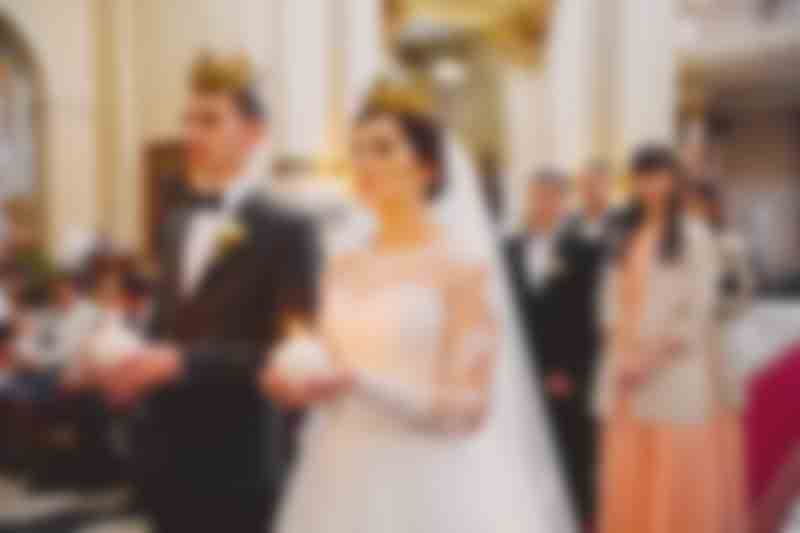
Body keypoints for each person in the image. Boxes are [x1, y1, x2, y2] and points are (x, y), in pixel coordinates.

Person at [266, 81, 575, 533]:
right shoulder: (342, 265)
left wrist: (361, 383)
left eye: (383, 148)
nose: (364, 163)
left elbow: (470, 407)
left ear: (427, 166)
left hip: (428, 477)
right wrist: (298, 381)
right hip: (337, 471)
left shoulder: (461, 270)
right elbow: (328, 365)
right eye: (357, 150)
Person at [97, 53, 320, 533]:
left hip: (239, 458)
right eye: (188, 120)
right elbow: (165, 327)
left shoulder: (290, 227)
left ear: (254, 132)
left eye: (210, 120)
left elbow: (293, 355)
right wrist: (128, 368)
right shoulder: (177, 222)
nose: (192, 133)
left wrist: (183, 362)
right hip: (165, 453)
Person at [594, 145, 738, 533]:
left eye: (658, 176)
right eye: (642, 177)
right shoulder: (627, 233)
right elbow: (611, 299)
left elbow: (698, 308)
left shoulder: (694, 234)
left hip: (672, 367)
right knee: (630, 470)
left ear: (674, 180)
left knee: (674, 473)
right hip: (624, 369)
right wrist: (621, 353)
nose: (650, 186)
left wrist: (649, 358)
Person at [549, 159, 615, 524]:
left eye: (598, 183)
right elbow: (557, 297)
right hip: (576, 345)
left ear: (609, 185)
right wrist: (557, 359)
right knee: (579, 428)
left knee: (615, 428)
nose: (592, 190)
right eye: (586, 184)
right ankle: (583, 505)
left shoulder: (625, 228)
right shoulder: (565, 232)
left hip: (616, 341)